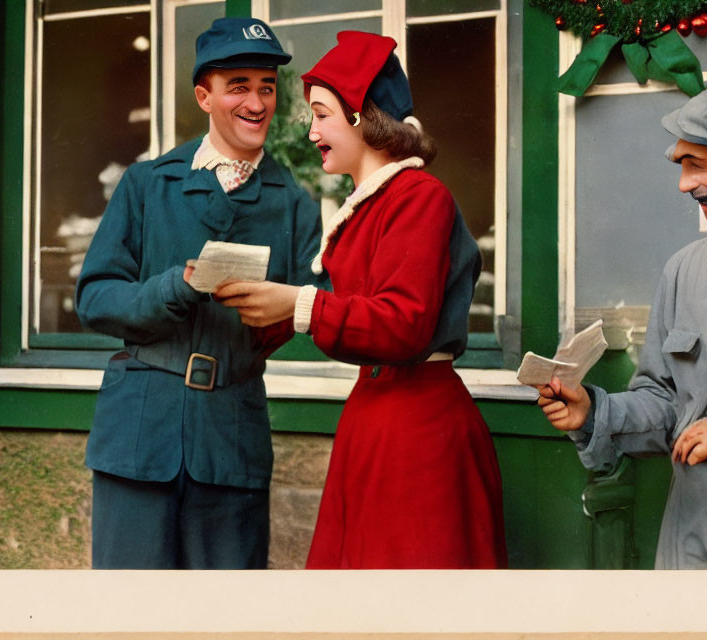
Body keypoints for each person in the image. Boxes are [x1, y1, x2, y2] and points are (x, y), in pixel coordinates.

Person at [215, 31, 508, 569]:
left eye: (322, 114)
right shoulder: (369, 205)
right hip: (377, 420)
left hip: (419, 430)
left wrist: (297, 305)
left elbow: (403, 324)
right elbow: (342, 305)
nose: (311, 130)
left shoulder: (420, 197)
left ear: (361, 117)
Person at [74, 17, 324, 569]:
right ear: (204, 96)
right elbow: (94, 298)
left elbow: (320, 308)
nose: (256, 102)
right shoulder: (147, 184)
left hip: (231, 440)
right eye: (238, 86)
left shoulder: (295, 203)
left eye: (266, 87)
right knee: (130, 615)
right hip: (139, 434)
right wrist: (173, 286)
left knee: (226, 617)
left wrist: (274, 313)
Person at [536, 84, 707, 569]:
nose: (684, 185)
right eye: (681, 167)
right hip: (686, 528)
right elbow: (667, 403)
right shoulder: (682, 270)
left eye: (698, 164)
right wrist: (593, 412)